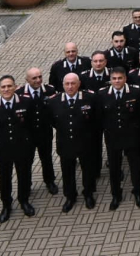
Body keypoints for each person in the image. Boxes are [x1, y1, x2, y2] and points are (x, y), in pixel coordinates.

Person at [0, 75, 36, 223]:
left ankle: (24, 200)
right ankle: (6, 205)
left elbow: (31, 124)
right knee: (4, 178)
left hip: (22, 147)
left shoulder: (25, 102)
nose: (6, 89)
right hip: (3, 150)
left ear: (15, 87)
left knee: (24, 175)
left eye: (9, 86)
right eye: (3, 87)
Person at [43, 73, 98, 213]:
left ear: (79, 84)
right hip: (65, 143)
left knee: (88, 170)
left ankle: (88, 193)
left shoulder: (90, 98)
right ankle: (70, 196)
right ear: (62, 85)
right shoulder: (53, 101)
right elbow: (52, 121)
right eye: (67, 84)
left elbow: (95, 119)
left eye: (73, 83)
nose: (70, 86)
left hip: (85, 142)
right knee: (67, 172)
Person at [96, 67, 140, 210]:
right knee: (114, 168)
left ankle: (137, 191)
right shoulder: (102, 94)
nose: (117, 81)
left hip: (131, 136)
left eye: (119, 78)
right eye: (114, 78)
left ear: (125, 79)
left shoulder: (135, 92)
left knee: (135, 166)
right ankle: (116, 195)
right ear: (110, 80)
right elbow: (99, 117)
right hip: (113, 138)